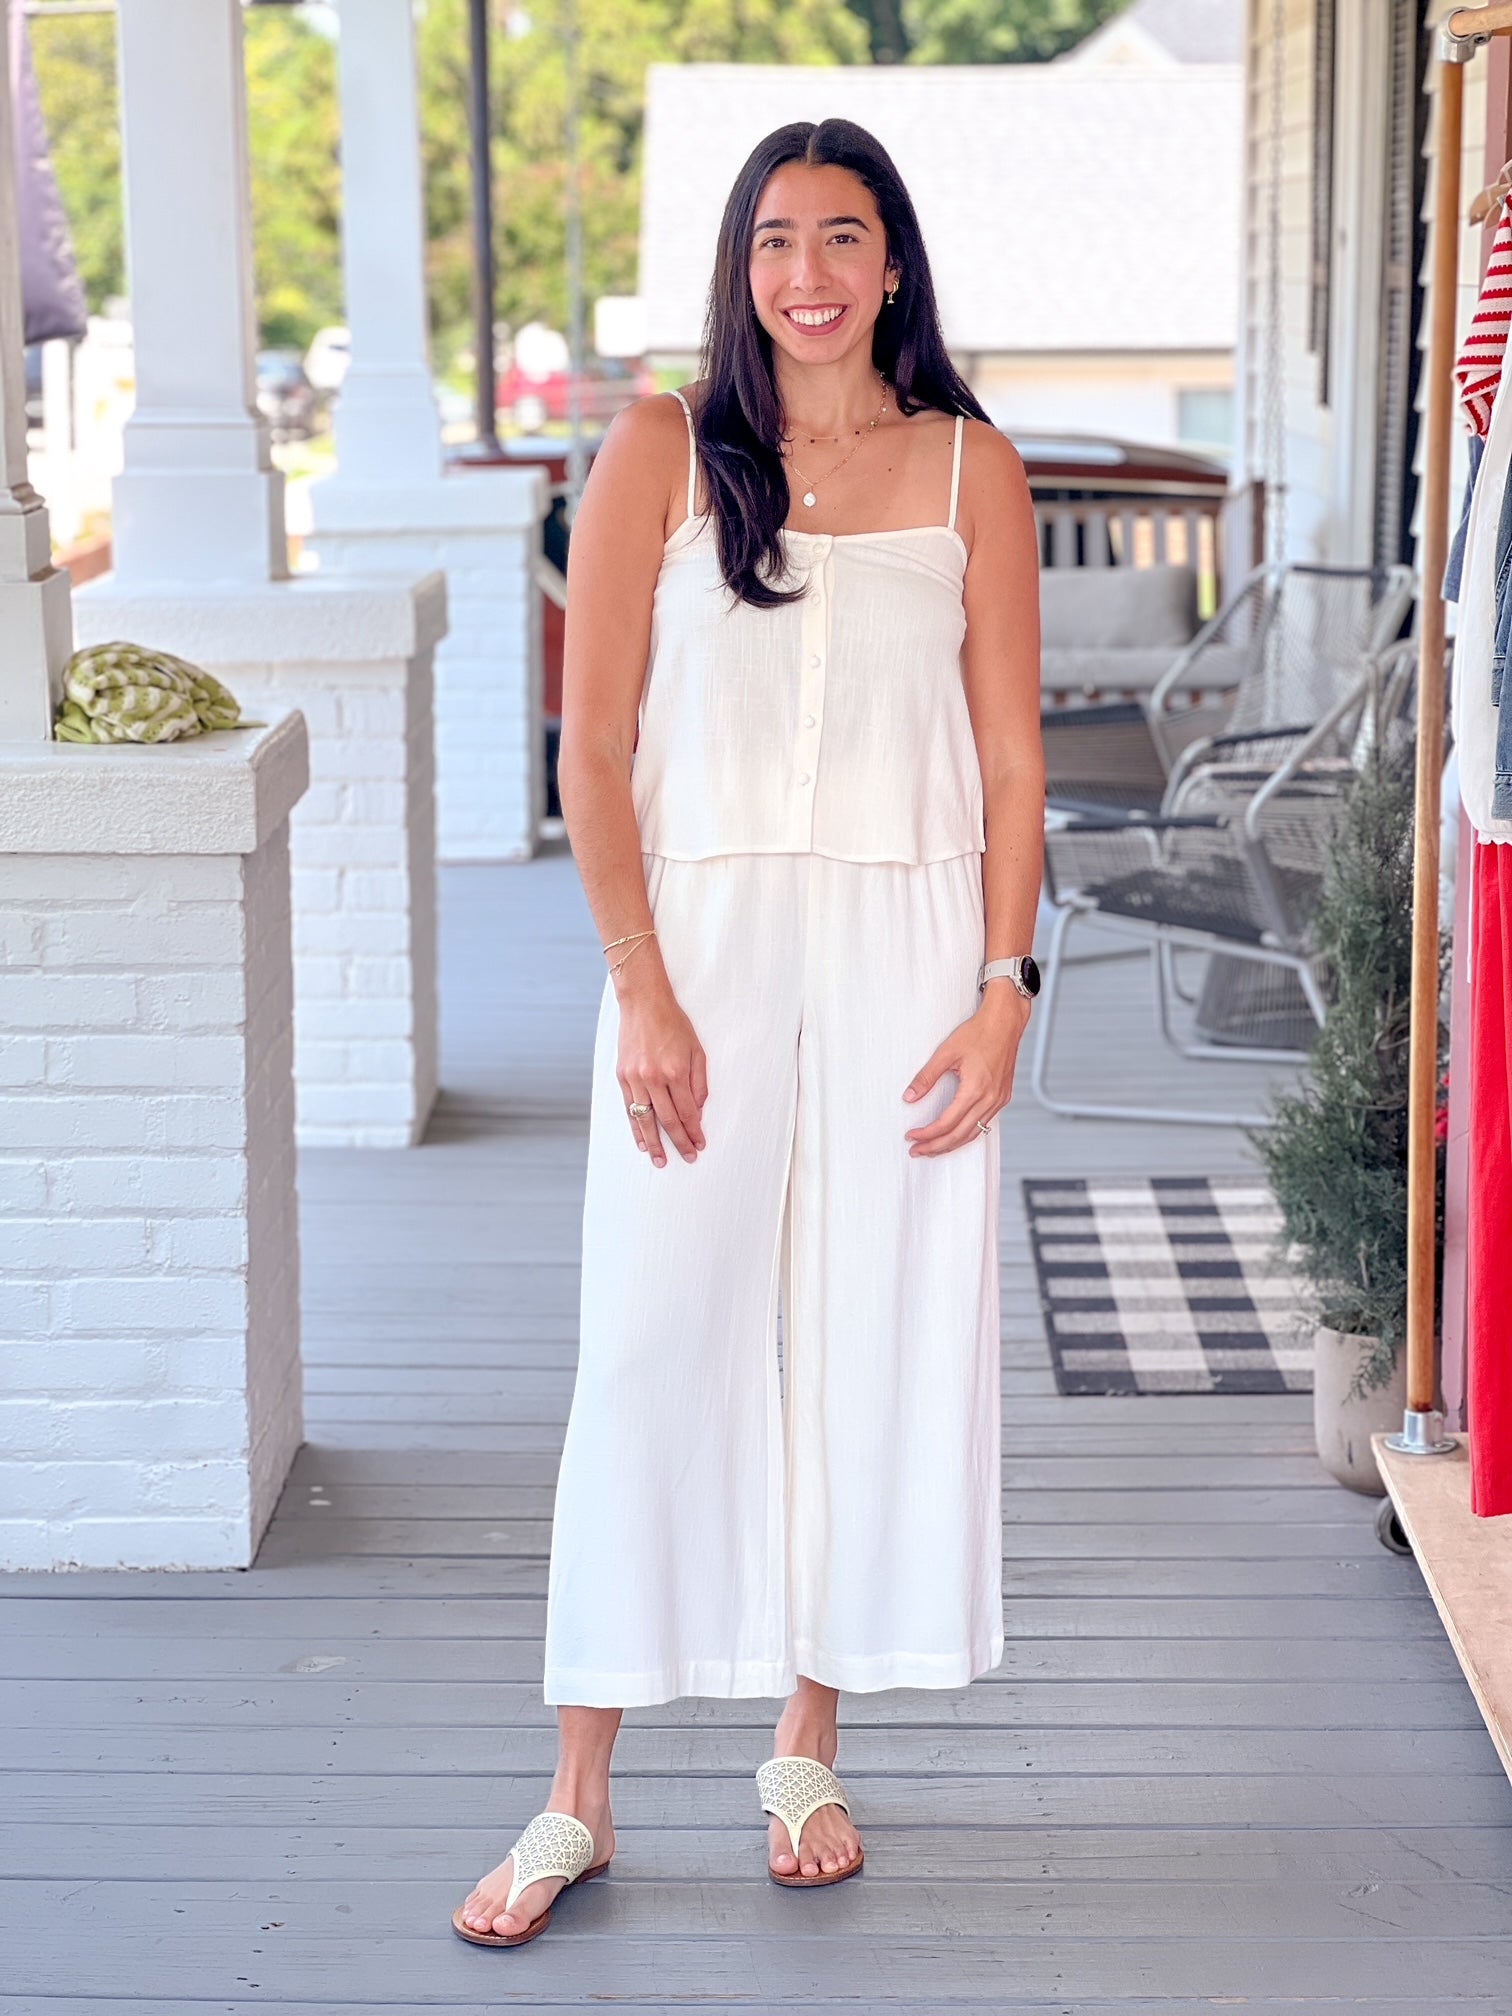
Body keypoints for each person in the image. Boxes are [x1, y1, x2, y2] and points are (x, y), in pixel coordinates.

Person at [454, 115, 1044, 1950]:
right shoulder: (659, 447)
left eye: (842, 236)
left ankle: (807, 1742)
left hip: (909, 951)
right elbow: (592, 749)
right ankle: (576, 1793)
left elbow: (1015, 764)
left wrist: (1006, 988)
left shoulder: (973, 470)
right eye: (777, 239)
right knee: (650, 1337)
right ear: (742, 265)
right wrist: (640, 982)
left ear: (893, 263)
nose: (809, 273)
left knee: (867, 1336)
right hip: (698, 948)